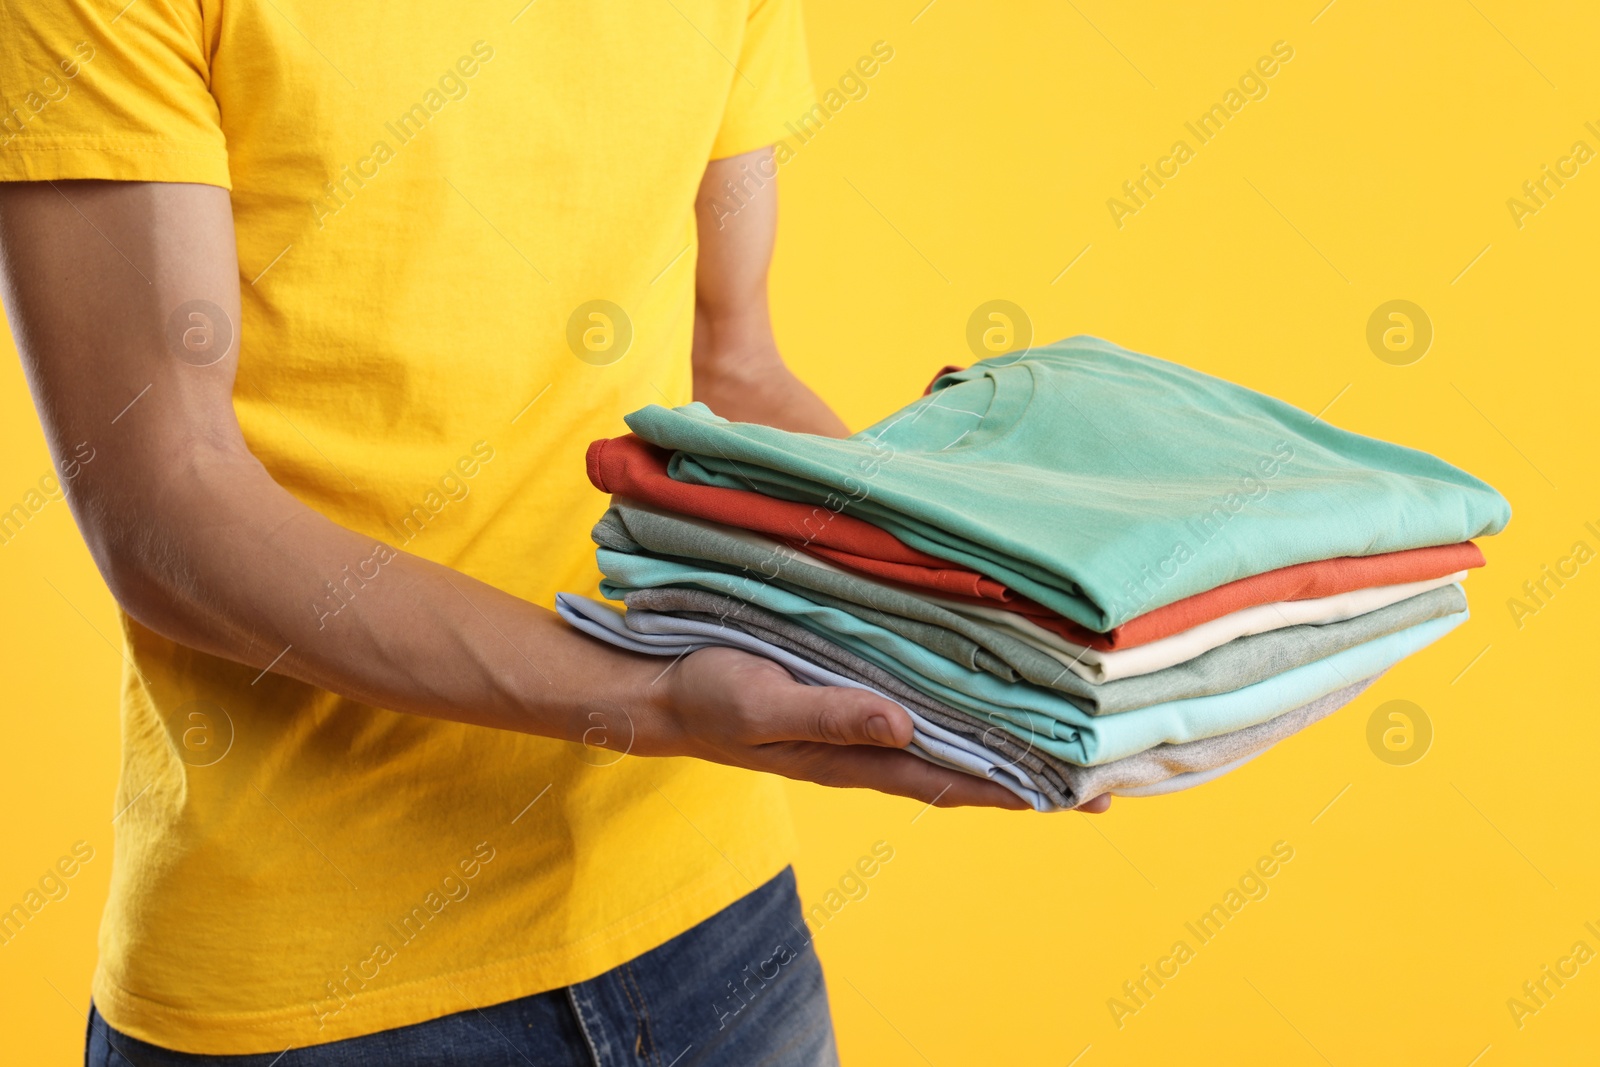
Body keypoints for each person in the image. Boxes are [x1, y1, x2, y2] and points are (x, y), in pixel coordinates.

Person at [0, 3, 1103, 1063]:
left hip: (713, 919)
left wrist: (1004, 628)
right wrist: (650, 698)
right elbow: (164, 503)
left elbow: (737, 369)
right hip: (320, 994)